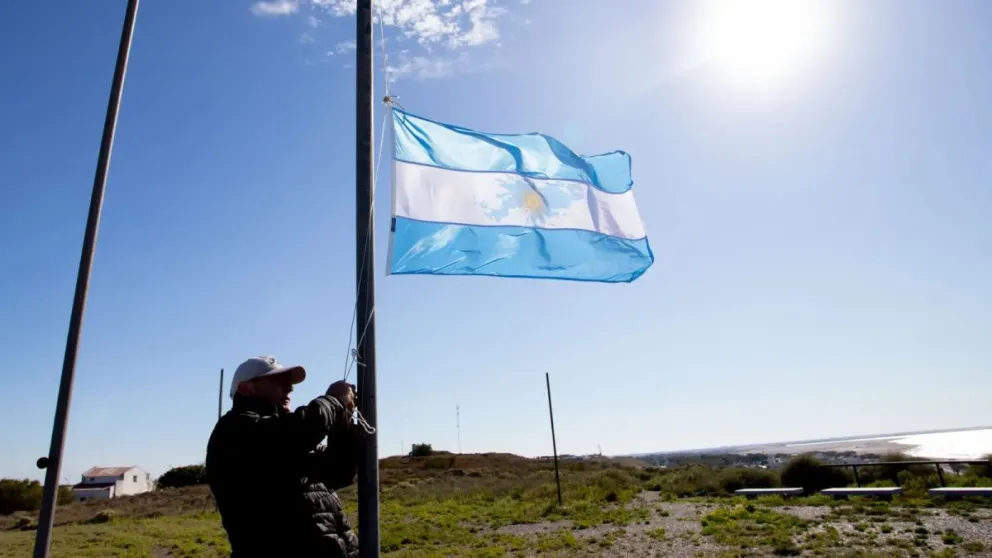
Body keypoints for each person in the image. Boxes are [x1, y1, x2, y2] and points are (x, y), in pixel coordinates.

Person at [206, 356, 365, 558]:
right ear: (245, 388)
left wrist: (343, 424)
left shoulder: (285, 437)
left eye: (289, 382)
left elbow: (339, 471)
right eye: (278, 380)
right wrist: (335, 400)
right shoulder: (233, 431)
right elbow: (298, 432)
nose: (289, 388)